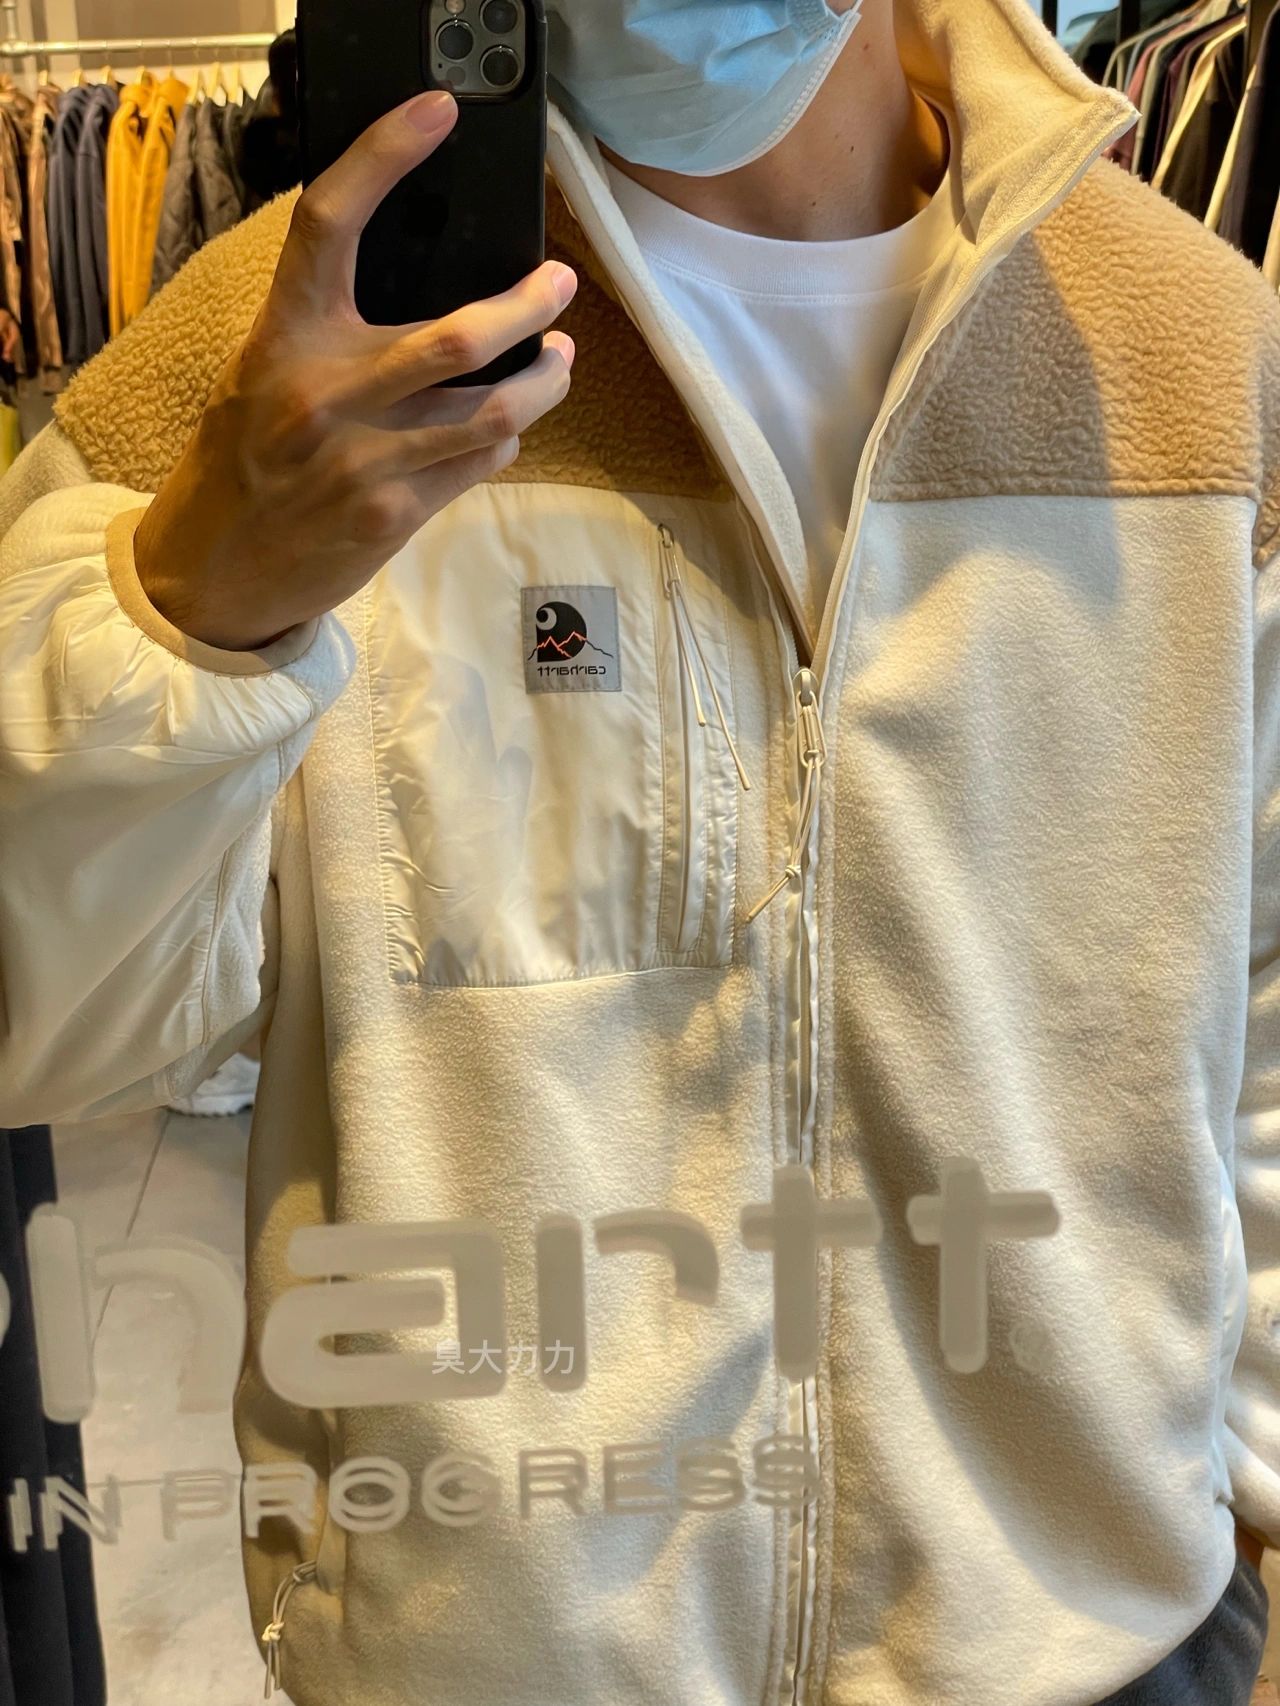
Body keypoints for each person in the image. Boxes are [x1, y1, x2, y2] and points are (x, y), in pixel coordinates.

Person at [1, 1, 1278, 1702]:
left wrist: (1236, 1475)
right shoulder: (279, 362)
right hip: (498, 1661)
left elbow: (1265, 1002)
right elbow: (45, 1027)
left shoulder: (1188, 346)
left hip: (1095, 1639)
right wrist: (195, 608)